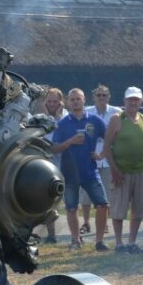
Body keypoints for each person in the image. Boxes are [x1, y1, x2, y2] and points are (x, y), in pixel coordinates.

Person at [52, 88, 110, 252]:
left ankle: (99, 241)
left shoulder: (94, 120)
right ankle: (76, 240)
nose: (75, 102)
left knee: (103, 204)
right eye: (72, 99)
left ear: (84, 100)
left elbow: (110, 137)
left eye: (78, 99)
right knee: (71, 207)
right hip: (69, 173)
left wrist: (101, 154)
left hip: (90, 171)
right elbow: (55, 148)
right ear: (68, 102)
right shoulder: (62, 124)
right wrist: (70, 141)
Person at [103, 86, 143, 253]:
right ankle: (119, 243)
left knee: (138, 208)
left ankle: (132, 242)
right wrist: (114, 169)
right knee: (118, 209)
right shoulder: (117, 119)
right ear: (124, 101)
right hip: (121, 171)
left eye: (136, 99)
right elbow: (107, 146)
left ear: (141, 101)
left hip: (140, 170)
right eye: (130, 99)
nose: (133, 102)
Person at [79, 84, 121, 235]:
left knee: (107, 193)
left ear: (109, 97)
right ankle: (86, 222)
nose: (101, 98)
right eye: (99, 95)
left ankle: (105, 224)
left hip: (108, 158)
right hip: (89, 158)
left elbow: (119, 136)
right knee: (85, 193)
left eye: (104, 95)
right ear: (94, 97)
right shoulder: (86, 112)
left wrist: (105, 153)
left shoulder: (116, 112)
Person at [39, 87, 65, 244]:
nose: (52, 104)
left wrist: (58, 116)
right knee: (49, 198)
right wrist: (48, 115)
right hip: (47, 162)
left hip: (64, 162)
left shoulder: (66, 117)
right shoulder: (40, 118)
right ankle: (51, 234)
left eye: (55, 101)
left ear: (60, 102)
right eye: (49, 101)